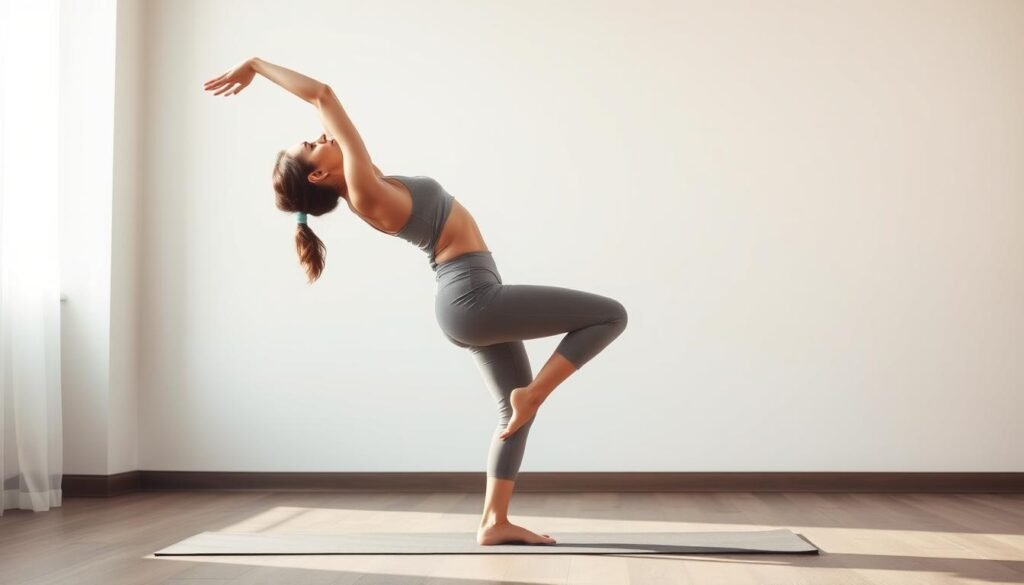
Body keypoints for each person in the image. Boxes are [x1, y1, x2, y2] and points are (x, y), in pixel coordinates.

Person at [204, 57, 628, 546]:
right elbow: (322, 93)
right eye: (311, 146)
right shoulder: (363, 188)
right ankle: (533, 395)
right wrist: (256, 65)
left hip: (468, 297)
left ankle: (494, 521)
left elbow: (326, 119)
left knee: (511, 417)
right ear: (319, 175)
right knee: (610, 315)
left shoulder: (367, 179)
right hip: (472, 296)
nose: (319, 137)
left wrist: (317, 132)